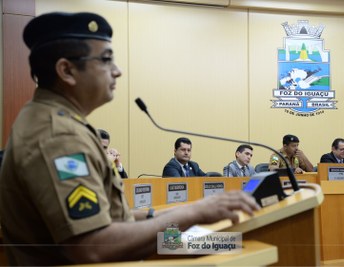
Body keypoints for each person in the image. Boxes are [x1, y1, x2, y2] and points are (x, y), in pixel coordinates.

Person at [0, 12, 260, 266]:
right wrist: (194, 213)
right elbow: (92, 246)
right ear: (67, 70)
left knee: (229, 243)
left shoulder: (56, 121)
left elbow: (105, 219)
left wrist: (173, 213)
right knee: (237, 246)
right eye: (106, 60)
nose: (118, 71)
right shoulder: (58, 136)